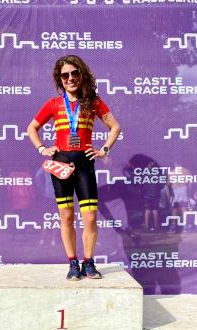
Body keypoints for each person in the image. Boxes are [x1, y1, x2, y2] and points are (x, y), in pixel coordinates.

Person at [27, 55, 122, 281]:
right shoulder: (53, 104)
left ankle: (88, 262)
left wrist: (104, 150)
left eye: (74, 73)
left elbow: (115, 127)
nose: (70, 78)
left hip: (85, 165)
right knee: (67, 216)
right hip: (60, 164)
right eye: (65, 75)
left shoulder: (93, 102)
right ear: (60, 80)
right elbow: (32, 127)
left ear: (82, 75)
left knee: (89, 218)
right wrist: (42, 148)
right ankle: (72, 263)